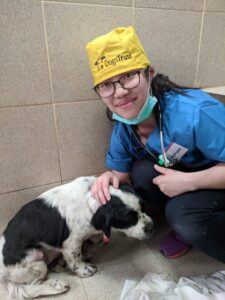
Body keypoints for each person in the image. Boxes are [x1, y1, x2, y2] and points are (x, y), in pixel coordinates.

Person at [86, 26, 225, 261]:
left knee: (182, 214)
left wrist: (190, 182)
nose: (118, 92)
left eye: (128, 76)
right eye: (105, 85)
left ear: (149, 74)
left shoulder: (195, 112)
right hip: (193, 182)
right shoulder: (124, 128)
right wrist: (108, 179)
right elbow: (123, 175)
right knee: (141, 172)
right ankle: (188, 220)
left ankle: (188, 222)